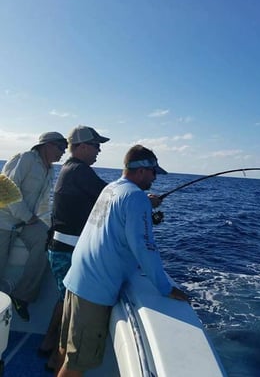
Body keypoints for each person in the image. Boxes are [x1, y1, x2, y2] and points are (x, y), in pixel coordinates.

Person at [56, 144, 188, 377]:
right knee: (77, 363)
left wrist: (145, 203)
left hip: (77, 277)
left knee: (68, 349)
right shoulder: (135, 197)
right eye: (153, 172)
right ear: (141, 171)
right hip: (94, 289)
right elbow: (145, 247)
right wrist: (165, 287)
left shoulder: (112, 188)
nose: (155, 177)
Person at [37, 125, 109, 365]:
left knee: (64, 298)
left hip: (61, 248)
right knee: (69, 302)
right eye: (96, 145)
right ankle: (56, 357)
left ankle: (49, 345)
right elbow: (111, 196)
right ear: (83, 146)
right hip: (66, 251)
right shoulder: (80, 171)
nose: (99, 150)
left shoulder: (71, 169)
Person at [0, 131, 67, 321]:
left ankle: (22, 296)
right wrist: (28, 217)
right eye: (60, 147)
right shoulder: (25, 159)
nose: (63, 152)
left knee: (46, 240)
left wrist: (42, 222)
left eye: (65, 148)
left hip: (25, 221)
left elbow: (44, 202)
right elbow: (5, 190)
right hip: (4, 220)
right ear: (47, 145)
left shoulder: (50, 169)